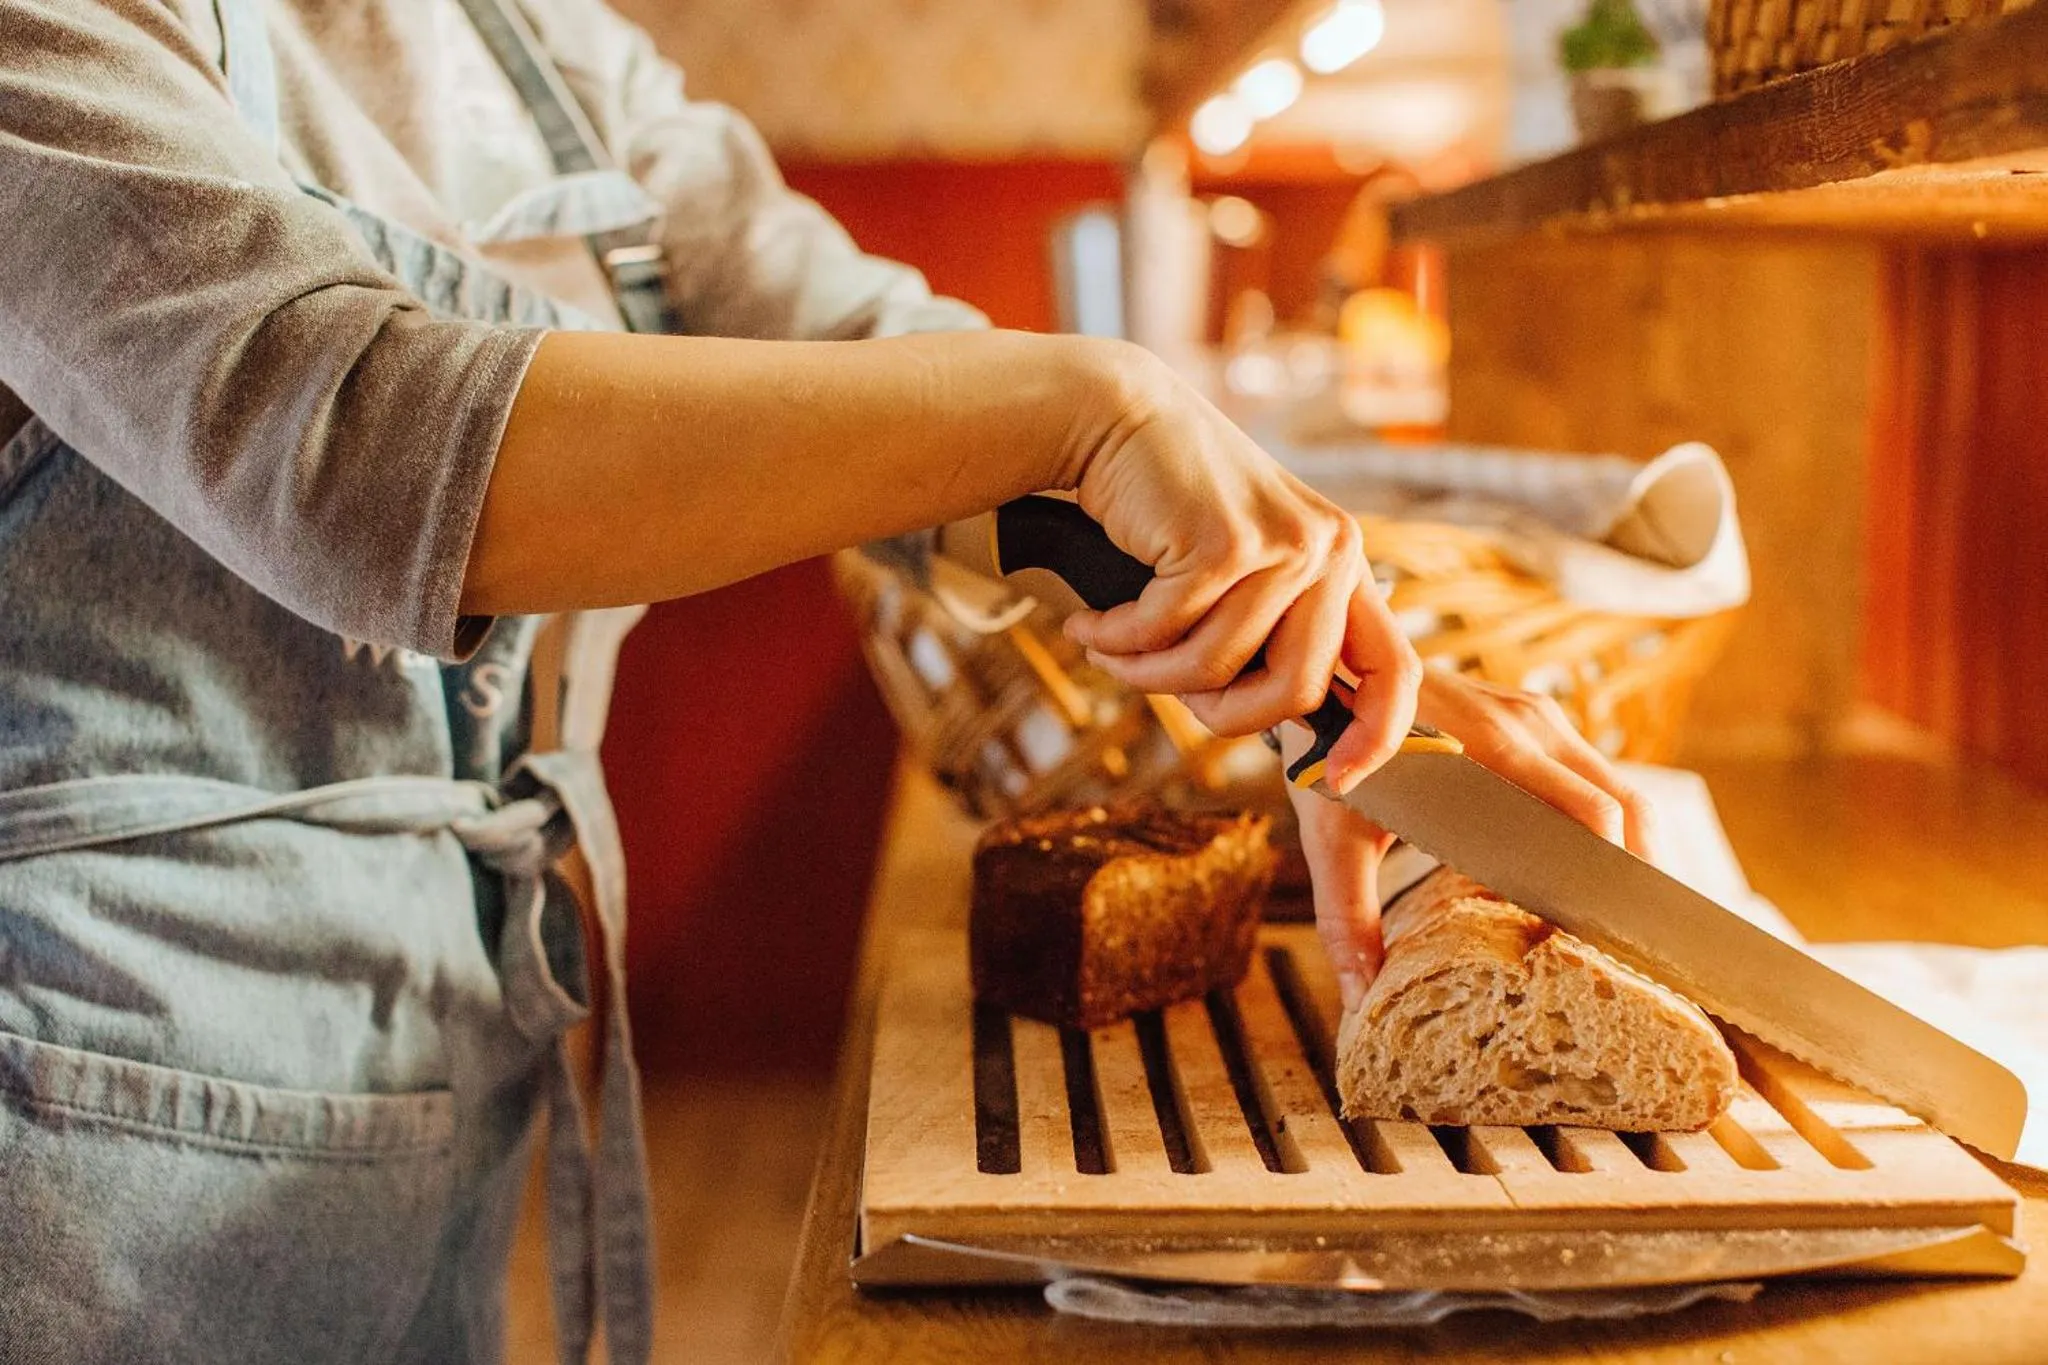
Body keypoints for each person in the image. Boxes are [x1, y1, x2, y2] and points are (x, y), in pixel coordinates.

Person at [0, 1, 1656, 1360]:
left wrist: (1344, 665)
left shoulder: (540, 50)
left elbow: (873, 354)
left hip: (434, 1056)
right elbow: (353, 438)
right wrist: (1077, 403)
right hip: (87, 1132)